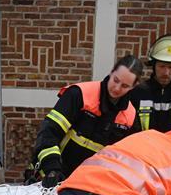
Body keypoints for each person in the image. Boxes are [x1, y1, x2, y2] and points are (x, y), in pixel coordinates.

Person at [32, 55, 143, 187]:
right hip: (52, 176)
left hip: (88, 187)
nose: (117, 88)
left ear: (134, 86)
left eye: (124, 86)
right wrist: (52, 169)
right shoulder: (79, 94)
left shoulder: (130, 117)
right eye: (116, 80)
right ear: (112, 71)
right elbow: (49, 133)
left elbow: (127, 161)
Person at [129, 34, 171, 132]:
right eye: (162, 66)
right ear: (153, 66)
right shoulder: (137, 93)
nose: (166, 73)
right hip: (144, 147)